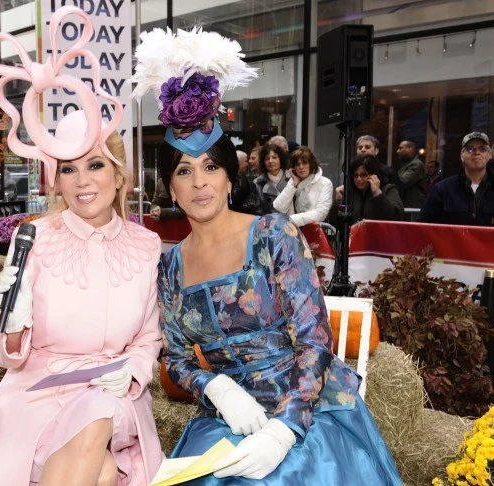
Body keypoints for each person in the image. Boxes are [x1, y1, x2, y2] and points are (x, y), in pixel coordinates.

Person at [132, 25, 401, 485]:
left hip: (307, 412)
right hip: (229, 420)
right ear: (170, 187)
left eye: (211, 166)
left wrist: (284, 429)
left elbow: (315, 341)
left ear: (229, 177)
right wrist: (216, 387)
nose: (200, 182)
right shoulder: (169, 267)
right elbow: (175, 357)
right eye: (184, 171)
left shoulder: (274, 235)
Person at [0, 12, 164, 485]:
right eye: (69, 169)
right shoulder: (32, 239)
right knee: (101, 473)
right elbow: (5, 354)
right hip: (39, 396)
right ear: (55, 180)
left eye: (95, 165)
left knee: (98, 413)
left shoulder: (147, 245)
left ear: (119, 174)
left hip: (113, 392)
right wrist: (11, 326)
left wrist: (134, 371)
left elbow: (149, 336)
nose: (82, 182)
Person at [418, 132, 494, 226]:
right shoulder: (442, 190)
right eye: (470, 149)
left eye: (482, 149)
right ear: (462, 155)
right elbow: (423, 226)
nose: (477, 152)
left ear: (489, 155)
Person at [272, 146, 333, 226]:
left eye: (304, 163)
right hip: (292, 230)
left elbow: (321, 213)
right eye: (298, 164)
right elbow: (279, 207)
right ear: (294, 168)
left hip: (313, 230)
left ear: (311, 164)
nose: (301, 167)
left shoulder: (325, 183)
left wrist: (292, 220)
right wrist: (293, 185)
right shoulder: (293, 182)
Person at [334, 155, 404, 223]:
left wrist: (377, 193)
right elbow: (335, 223)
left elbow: (396, 217)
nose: (359, 179)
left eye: (364, 175)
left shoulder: (388, 190)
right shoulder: (350, 192)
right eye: (355, 175)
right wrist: (338, 202)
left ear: (374, 175)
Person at [335, 135, 398, 202]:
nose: (363, 150)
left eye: (367, 147)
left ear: (376, 151)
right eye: (360, 147)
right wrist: (339, 201)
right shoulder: (351, 169)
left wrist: (378, 193)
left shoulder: (388, 172)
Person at [395, 140, 427, 208]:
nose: (397, 151)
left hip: (412, 206)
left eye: (401, 148)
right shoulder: (406, 164)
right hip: (407, 204)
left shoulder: (416, 164)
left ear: (410, 149)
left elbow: (402, 182)